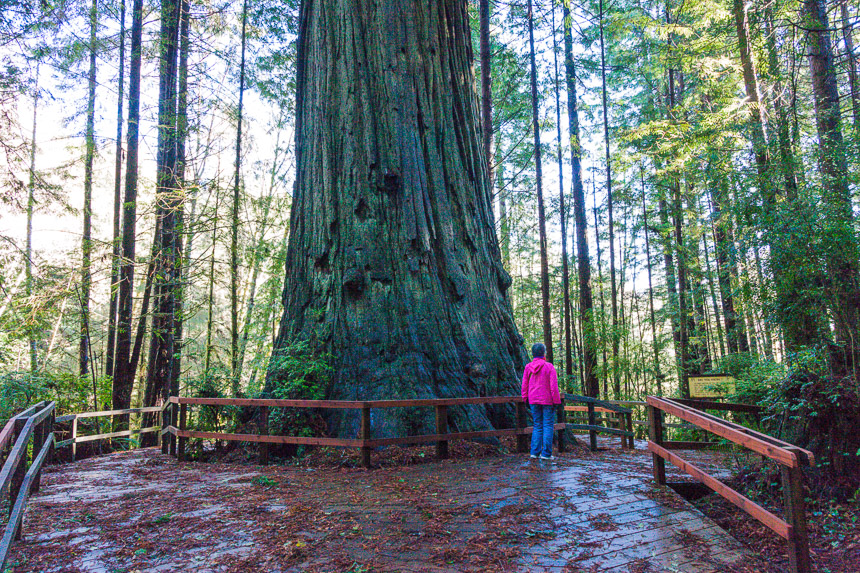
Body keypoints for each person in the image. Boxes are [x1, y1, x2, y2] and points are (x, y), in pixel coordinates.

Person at [521, 342, 561, 460]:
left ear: (533, 353)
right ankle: (546, 454)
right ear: (543, 353)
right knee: (548, 425)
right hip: (547, 400)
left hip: (533, 400)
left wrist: (525, 398)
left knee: (537, 425)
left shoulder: (528, 367)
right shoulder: (549, 367)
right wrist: (557, 401)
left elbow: (524, 385)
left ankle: (534, 452)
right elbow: (553, 386)